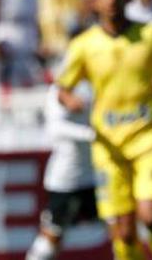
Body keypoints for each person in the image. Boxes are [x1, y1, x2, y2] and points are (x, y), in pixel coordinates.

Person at [55, 0, 152, 260]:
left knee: (150, 216)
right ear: (95, 0)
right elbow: (62, 89)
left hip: (149, 139)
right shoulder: (84, 45)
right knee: (125, 233)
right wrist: (71, 99)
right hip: (109, 147)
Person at [26, 83, 98, 260]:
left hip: (95, 175)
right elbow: (54, 128)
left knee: (122, 226)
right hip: (66, 178)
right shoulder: (58, 90)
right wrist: (92, 134)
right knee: (52, 238)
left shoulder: (98, 82)